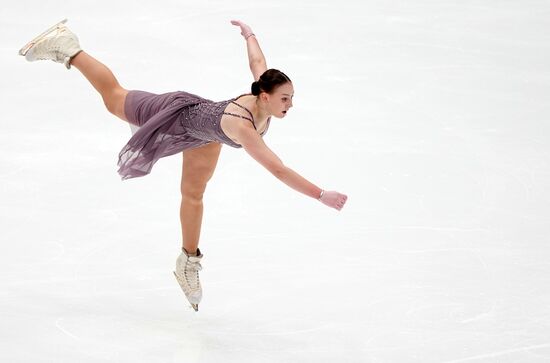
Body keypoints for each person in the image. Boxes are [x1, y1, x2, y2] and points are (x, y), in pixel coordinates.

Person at [19, 19, 349, 311]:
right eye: (285, 99)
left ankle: (188, 261)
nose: (290, 104)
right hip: (176, 115)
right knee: (113, 98)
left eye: (290, 97)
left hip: (204, 136)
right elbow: (278, 169)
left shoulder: (264, 90)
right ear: (264, 96)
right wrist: (320, 195)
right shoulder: (244, 127)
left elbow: (258, 61)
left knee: (193, 195)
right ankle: (68, 46)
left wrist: (250, 35)